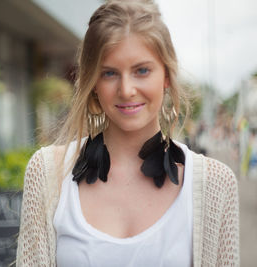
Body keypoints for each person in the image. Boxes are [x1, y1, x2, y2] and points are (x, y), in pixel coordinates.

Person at [16, 0, 239, 266]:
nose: (126, 89)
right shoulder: (47, 173)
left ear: (166, 75)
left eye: (141, 70)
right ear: (93, 83)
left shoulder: (216, 185)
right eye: (109, 73)